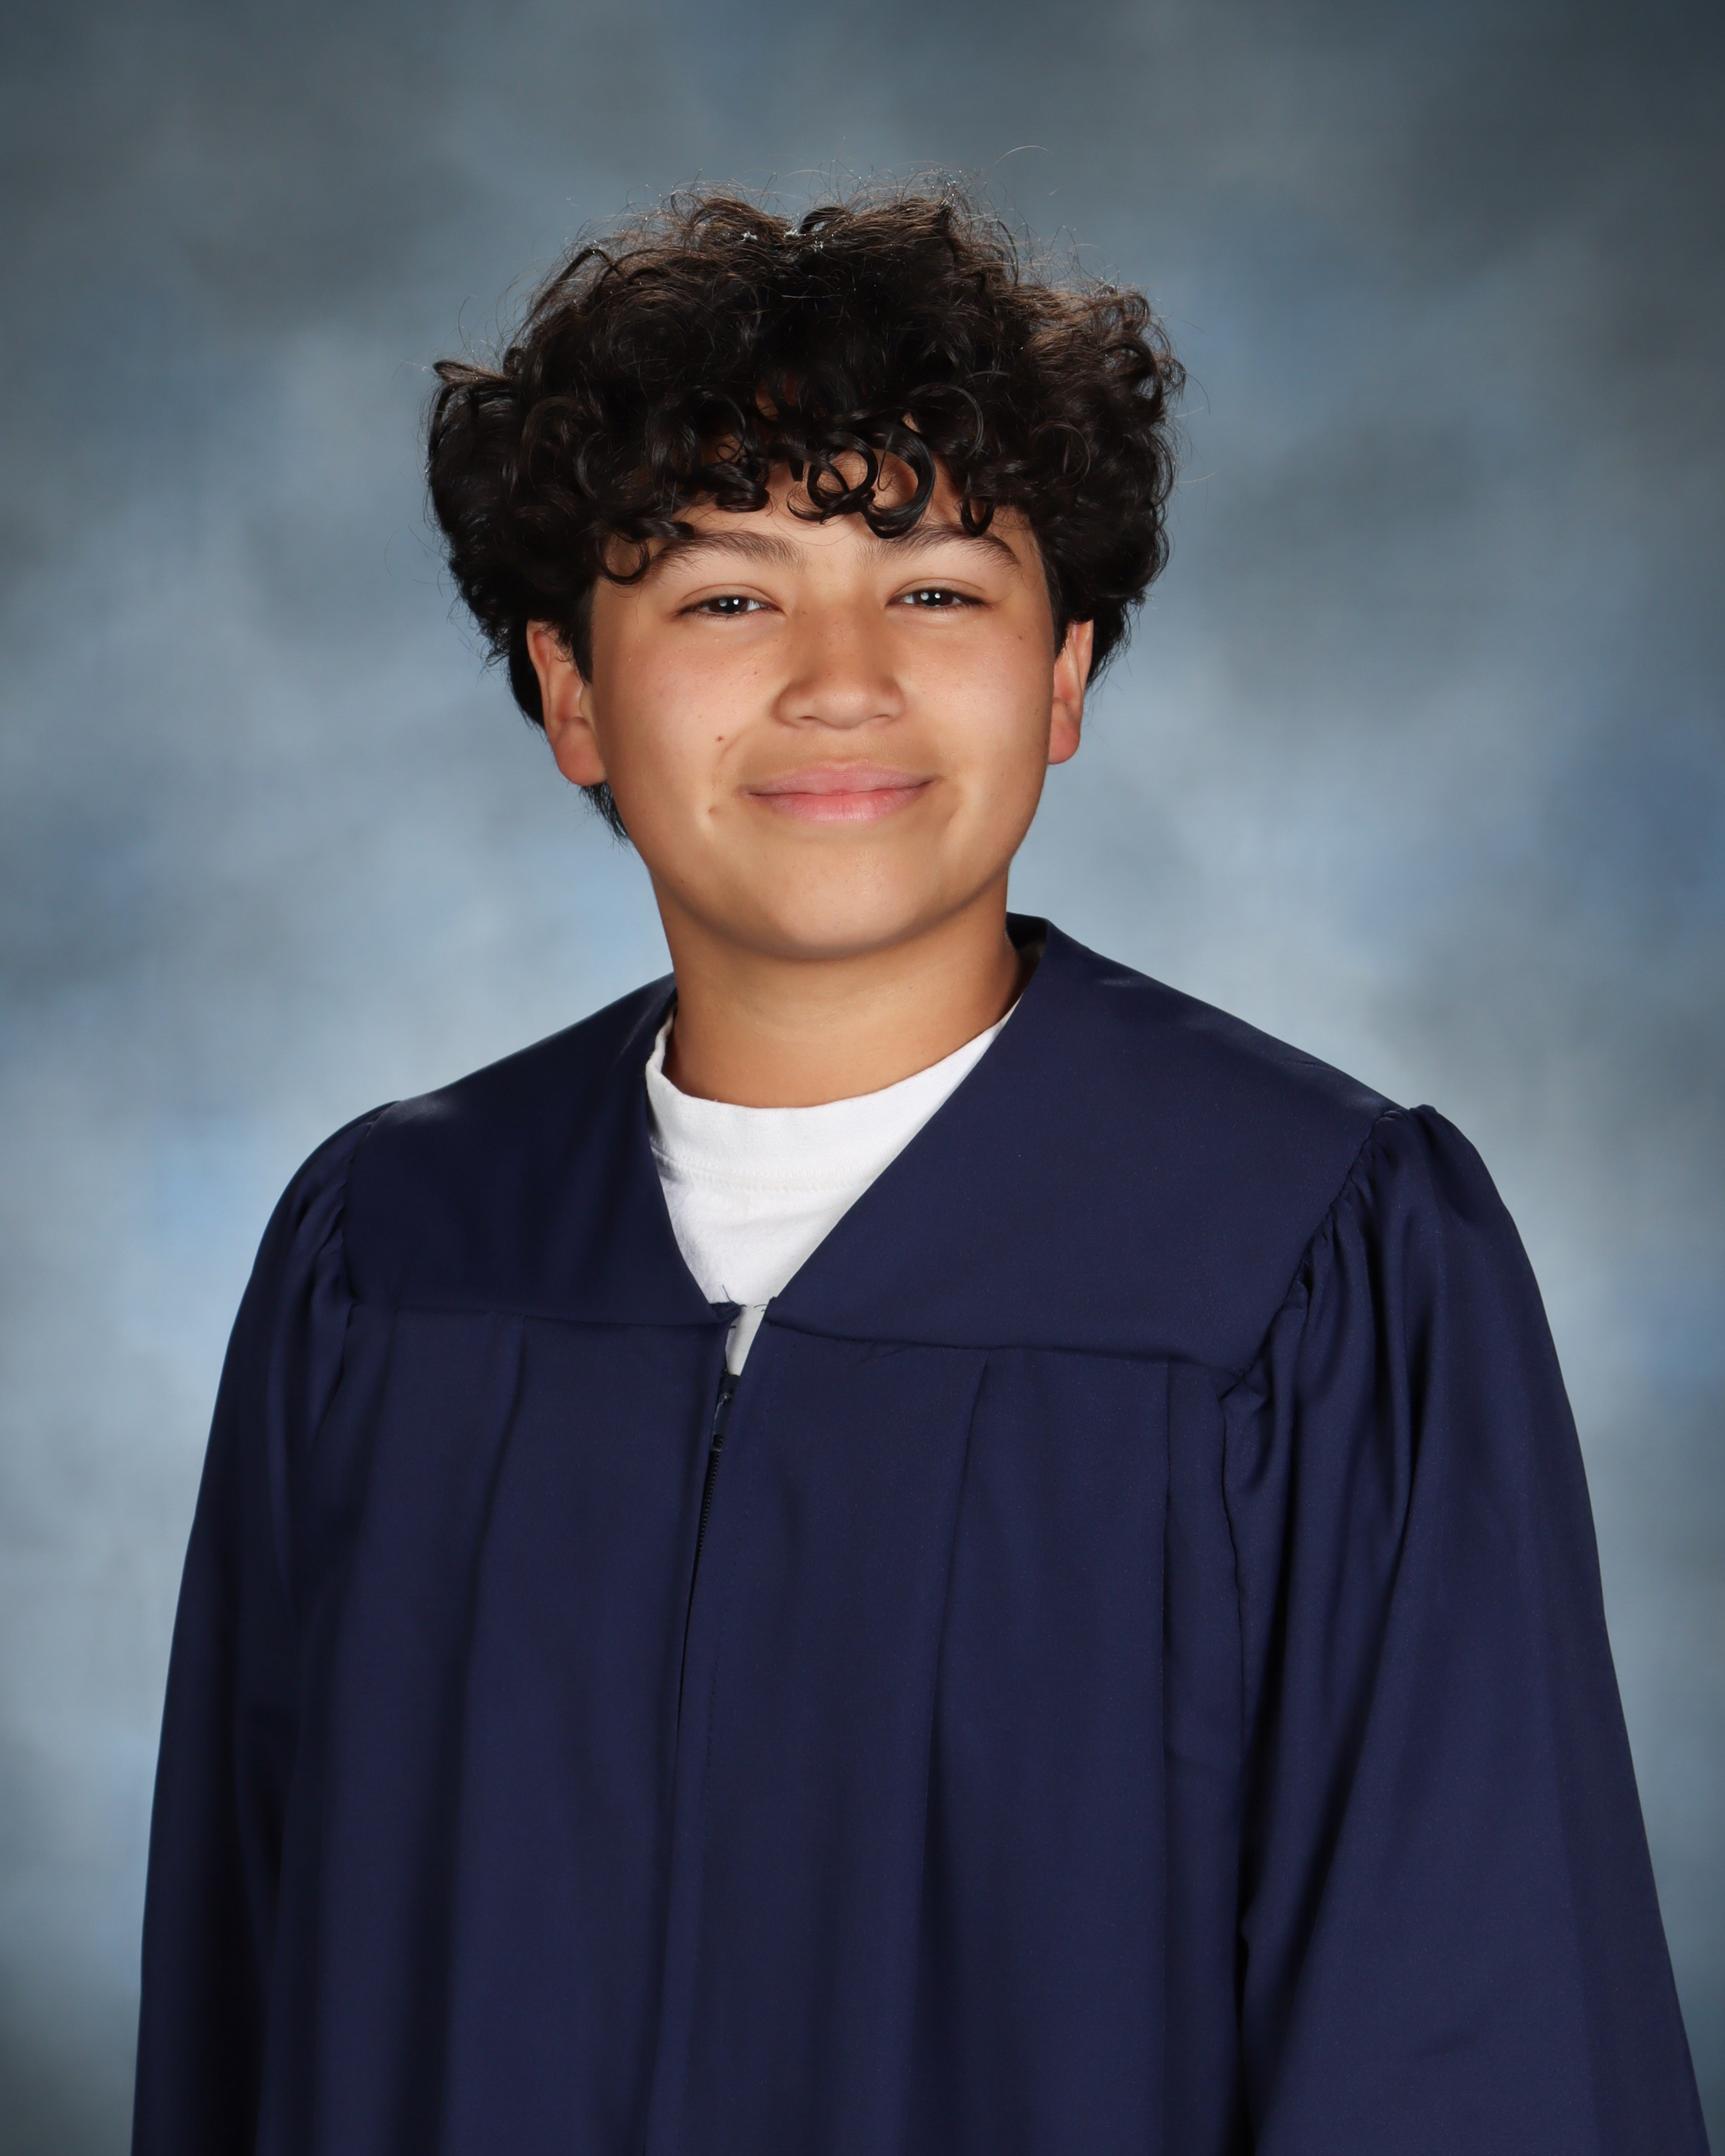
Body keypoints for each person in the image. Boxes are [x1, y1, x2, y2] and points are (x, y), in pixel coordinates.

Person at [131, 185, 1710, 2156]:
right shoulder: (388, 1260)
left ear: (1064, 678)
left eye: (940, 590)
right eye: (726, 596)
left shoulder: (1313, 1264)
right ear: (570, 691)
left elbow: (1478, 2040)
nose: (841, 679)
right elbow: (245, 2001)